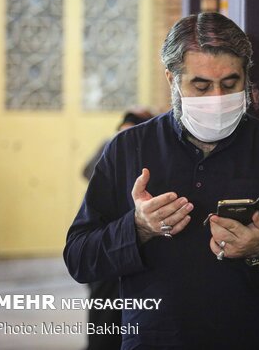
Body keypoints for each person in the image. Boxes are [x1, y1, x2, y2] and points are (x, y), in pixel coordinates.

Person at [64, 12, 259, 349]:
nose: (216, 97)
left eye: (230, 84)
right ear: (172, 80)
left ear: (247, 78)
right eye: (200, 85)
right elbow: (79, 258)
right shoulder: (129, 148)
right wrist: (137, 228)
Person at [81, 108, 154, 350]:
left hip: (134, 251)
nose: (125, 138)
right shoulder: (110, 148)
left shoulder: (150, 165)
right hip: (108, 245)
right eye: (122, 133)